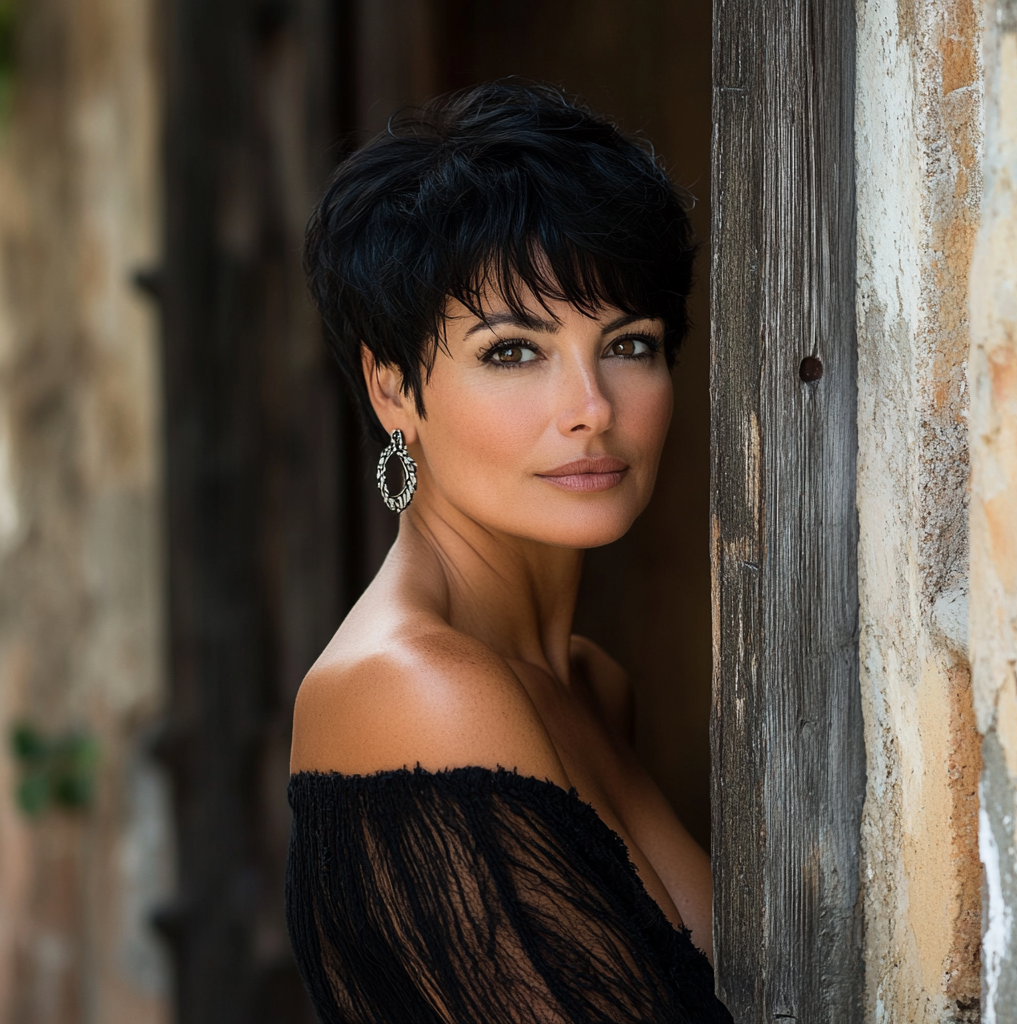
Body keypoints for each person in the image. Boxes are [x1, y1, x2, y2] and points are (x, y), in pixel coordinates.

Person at [285, 80, 733, 1024]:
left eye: (630, 343)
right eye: (513, 351)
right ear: (393, 386)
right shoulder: (408, 691)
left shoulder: (591, 686)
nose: (592, 408)